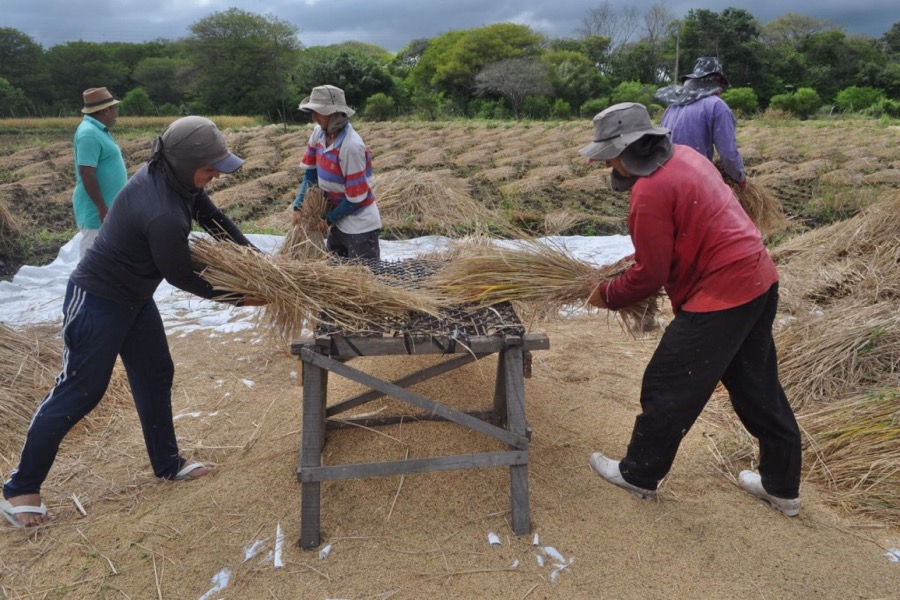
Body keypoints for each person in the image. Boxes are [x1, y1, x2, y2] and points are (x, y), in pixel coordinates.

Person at [1, 116, 266, 529]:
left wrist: (258, 262)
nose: (214, 176)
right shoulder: (161, 212)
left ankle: (167, 464)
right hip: (97, 302)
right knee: (81, 392)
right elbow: (181, 275)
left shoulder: (177, 181)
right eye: (210, 168)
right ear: (184, 163)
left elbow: (214, 219)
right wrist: (242, 298)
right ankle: (20, 487)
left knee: (156, 372)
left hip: (134, 300)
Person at [579, 102, 802, 517]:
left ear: (627, 149)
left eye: (608, 154)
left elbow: (650, 275)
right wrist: (626, 266)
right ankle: (782, 486)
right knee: (757, 386)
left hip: (722, 296)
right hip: (758, 279)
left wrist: (605, 295)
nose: (606, 162)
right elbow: (673, 240)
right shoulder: (688, 157)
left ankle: (639, 475)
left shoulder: (648, 192)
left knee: (667, 384)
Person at [290, 84, 381, 260]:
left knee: (362, 279)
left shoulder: (351, 147)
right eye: (313, 111)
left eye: (319, 112)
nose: (314, 117)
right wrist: (298, 205)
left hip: (360, 225)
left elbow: (356, 197)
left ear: (336, 115)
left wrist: (329, 219)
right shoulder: (318, 134)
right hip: (338, 224)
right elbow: (311, 174)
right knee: (336, 270)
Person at [654, 57, 747, 188]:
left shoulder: (672, 106)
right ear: (718, 83)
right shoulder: (717, 106)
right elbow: (727, 154)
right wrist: (739, 177)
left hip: (663, 178)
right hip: (693, 181)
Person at [72, 87, 128, 256]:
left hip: (108, 209)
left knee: (108, 258)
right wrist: (101, 207)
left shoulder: (97, 130)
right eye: (114, 109)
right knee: (93, 259)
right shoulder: (88, 134)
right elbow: (86, 173)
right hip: (96, 213)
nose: (116, 113)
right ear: (105, 110)